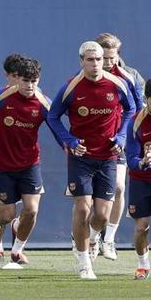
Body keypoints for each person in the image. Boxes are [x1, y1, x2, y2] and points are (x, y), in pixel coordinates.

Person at [47, 41, 135, 279]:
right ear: (81, 61)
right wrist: (69, 140)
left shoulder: (118, 84)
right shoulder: (70, 87)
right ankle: (84, 263)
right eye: (90, 59)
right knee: (83, 207)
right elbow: (52, 117)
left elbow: (131, 109)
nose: (96, 64)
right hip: (81, 157)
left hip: (109, 156)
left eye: (99, 59)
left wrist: (123, 135)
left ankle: (94, 237)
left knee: (102, 216)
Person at [0, 57, 53, 265]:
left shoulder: (43, 102)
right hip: (3, 165)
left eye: (34, 80)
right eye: (24, 80)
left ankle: (16, 250)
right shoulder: (1, 98)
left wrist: (69, 145)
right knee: (6, 214)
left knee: (31, 210)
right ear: (15, 79)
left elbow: (55, 125)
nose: (29, 85)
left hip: (30, 163)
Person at [95, 33, 144, 260]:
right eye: (103, 57)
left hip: (120, 141)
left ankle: (109, 240)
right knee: (91, 198)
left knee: (119, 187)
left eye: (111, 57)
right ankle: (92, 235)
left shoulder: (130, 76)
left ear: (118, 54)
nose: (107, 62)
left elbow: (138, 109)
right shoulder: (86, 75)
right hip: (92, 144)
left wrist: (124, 136)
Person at [125, 79, 151, 280]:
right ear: (145, 99)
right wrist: (142, 162)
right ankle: (143, 265)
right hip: (141, 180)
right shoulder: (136, 122)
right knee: (141, 226)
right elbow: (131, 157)